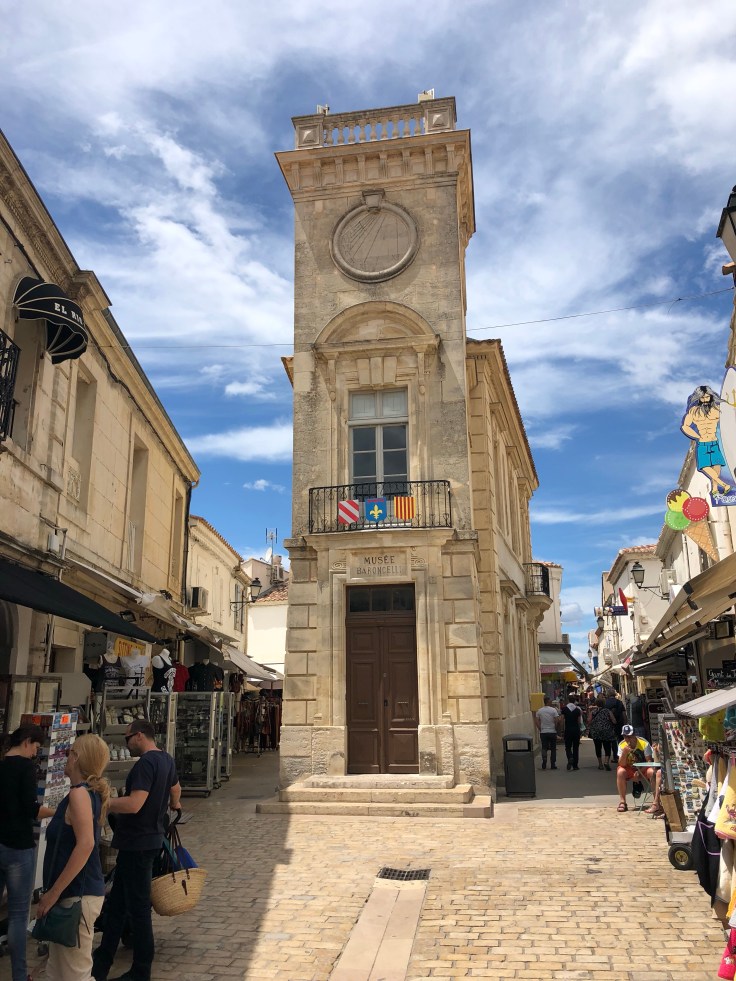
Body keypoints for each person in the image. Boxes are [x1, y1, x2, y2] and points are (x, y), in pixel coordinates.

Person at [92, 720, 181, 981]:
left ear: (140, 736)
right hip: (146, 840)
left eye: (127, 738)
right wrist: (173, 805)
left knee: (139, 909)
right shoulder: (166, 759)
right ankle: (101, 963)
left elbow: (134, 804)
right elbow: (176, 790)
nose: (126, 743)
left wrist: (104, 803)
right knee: (118, 905)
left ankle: (141, 970)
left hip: (138, 843)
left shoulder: (145, 764)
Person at [37, 734, 110, 979]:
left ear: (76, 757)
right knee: (58, 971)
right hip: (74, 894)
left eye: (69, 752)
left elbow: (86, 844)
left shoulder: (80, 794)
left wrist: (52, 894)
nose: (66, 757)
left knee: (75, 974)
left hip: (77, 894)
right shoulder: (86, 793)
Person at [0, 723, 55, 981]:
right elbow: (31, 809)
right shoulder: (25, 768)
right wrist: (58, 810)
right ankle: (19, 976)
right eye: (36, 747)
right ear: (27, 742)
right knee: (19, 915)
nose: (35, 753)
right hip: (18, 846)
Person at [616, 724, 663, 814]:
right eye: (625, 736)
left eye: (630, 736)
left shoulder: (643, 743)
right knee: (620, 771)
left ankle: (656, 802)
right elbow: (621, 764)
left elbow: (649, 761)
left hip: (643, 768)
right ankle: (622, 802)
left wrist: (639, 771)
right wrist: (624, 753)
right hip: (629, 768)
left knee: (652, 772)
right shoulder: (622, 745)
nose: (628, 739)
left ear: (634, 735)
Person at [588, 695, 617, 770]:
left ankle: (600, 764)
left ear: (596, 704)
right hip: (607, 731)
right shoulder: (608, 711)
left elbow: (589, 721)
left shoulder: (593, 712)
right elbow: (614, 721)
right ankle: (606, 762)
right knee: (607, 747)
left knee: (598, 747)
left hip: (596, 732)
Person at [535, 695, 559, 770]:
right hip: (552, 731)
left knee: (544, 747)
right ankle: (553, 764)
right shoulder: (553, 710)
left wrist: (540, 729)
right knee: (553, 748)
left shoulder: (539, 710)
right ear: (548, 702)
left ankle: (544, 760)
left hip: (543, 732)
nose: (551, 703)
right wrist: (555, 727)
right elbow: (556, 720)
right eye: (550, 702)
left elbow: (537, 721)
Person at [561, 695, 583, 771]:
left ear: (568, 700)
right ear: (574, 701)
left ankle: (570, 757)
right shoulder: (577, 710)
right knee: (576, 747)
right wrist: (579, 729)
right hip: (576, 730)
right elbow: (579, 721)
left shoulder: (564, 709)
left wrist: (562, 730)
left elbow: (562, 720)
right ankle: (575, 765)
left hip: (568, 729)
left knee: (568, 746)